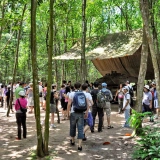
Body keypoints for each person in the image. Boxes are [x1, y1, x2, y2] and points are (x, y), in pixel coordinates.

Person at [67, 82, 89, 151]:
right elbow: (87, 104)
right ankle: (80, 146)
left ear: (74, 87)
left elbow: (69, 104)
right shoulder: (84, 93)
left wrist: (68, 113)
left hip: (73, 113)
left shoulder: (71, 94)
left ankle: (73, 141)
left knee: (72, 127)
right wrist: (86, 112)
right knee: (80, 128)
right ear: (80, 87)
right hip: (81, 113)